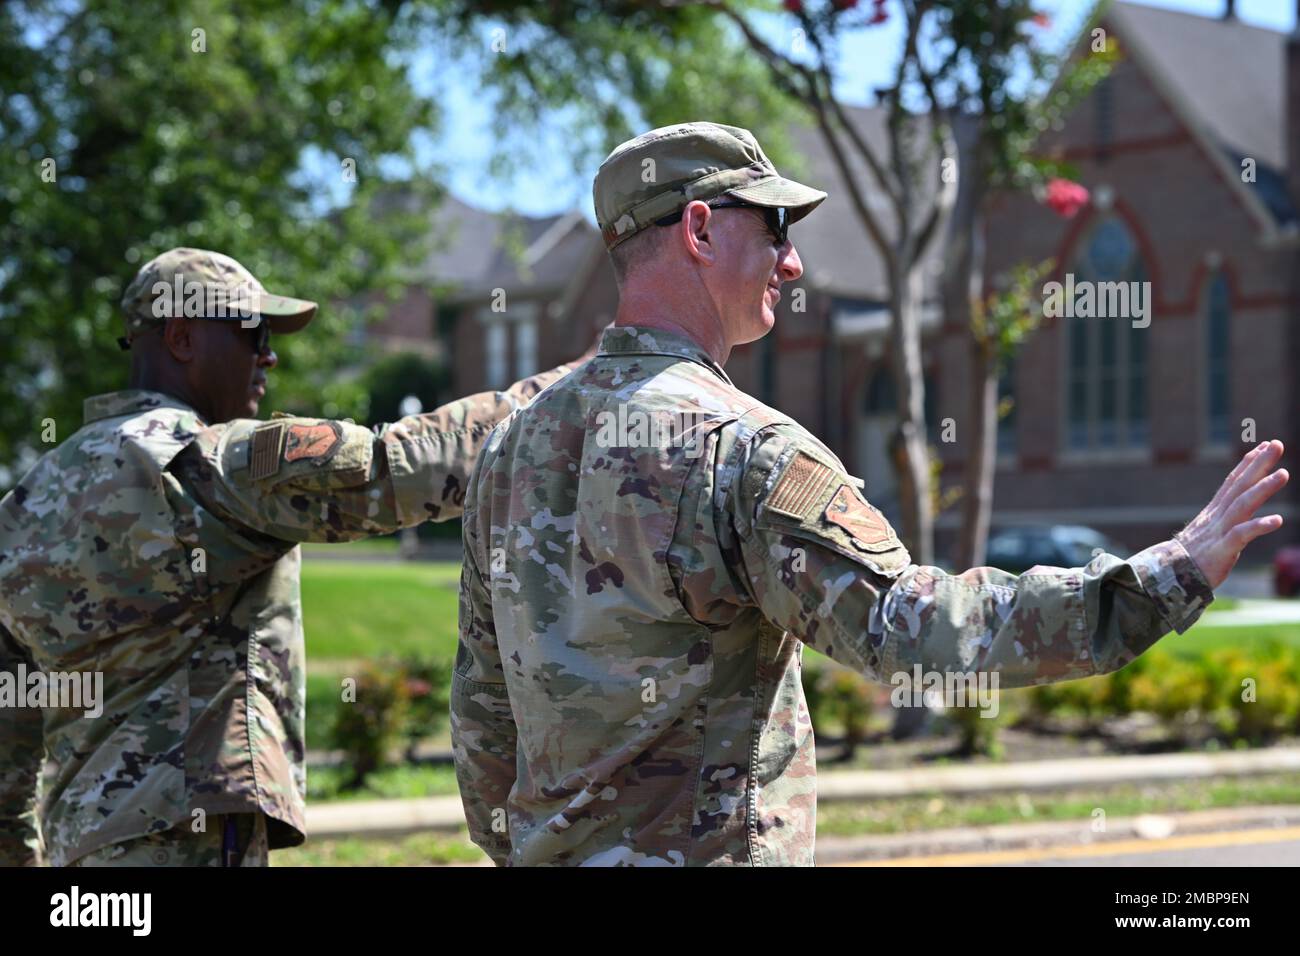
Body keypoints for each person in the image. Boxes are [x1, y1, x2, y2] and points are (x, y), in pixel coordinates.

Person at [451, 121, 1290, 867]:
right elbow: (914, 633)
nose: (794, 260)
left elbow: (483, 714)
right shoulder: (742, 450)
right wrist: (1163, 579)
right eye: (775, 226)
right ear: (700, 230)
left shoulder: (509, 444)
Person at [0, 247, 584, 867]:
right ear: (181, 336)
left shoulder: (28, 502)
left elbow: (9, 731)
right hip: (185, 839)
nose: (269, 356)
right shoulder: (208, 466)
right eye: (251, 333)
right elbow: (409, 466)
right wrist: (585, 381)